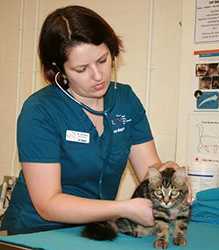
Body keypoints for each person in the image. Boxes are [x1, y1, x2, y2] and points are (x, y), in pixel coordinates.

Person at [1, 5, 190, 235]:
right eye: (81, 69)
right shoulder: (40, 111)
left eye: (102, 60)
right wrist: (123, 208)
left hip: (95, 231)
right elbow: (48, 204)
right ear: (58, 70)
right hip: (37, 231)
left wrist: (167, 170)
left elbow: (150, 172)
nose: (98, 76)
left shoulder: (125, 100)